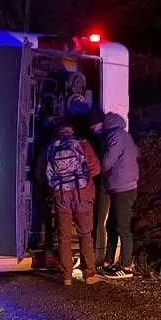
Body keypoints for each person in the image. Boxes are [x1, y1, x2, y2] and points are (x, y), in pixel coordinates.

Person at [36, 119, 101, 286]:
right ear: (71, 131)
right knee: (85, 234)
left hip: (61, 196)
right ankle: (89, 274)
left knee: (63, 236)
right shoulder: (82, 144)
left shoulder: (50, 148)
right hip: (82, 194)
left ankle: (66, 277)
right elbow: (96, 168)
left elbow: (40, 175)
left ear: (57, 132)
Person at [88, 109, 139, 278]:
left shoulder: (115, 137)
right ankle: (108, 262)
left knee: (123, 227)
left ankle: (126, 267)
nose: (93, 130)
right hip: (120, 187)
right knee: (111, 225)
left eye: (93, 126)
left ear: (101, 124)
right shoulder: (121, 135)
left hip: (123, 188)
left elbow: (106, 162)